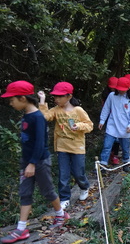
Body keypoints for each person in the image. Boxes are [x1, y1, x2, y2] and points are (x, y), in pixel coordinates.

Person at [0, 81, 69, 244]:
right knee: (25, 192)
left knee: (47, 190)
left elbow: (40, 143)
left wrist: (32, 163)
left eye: (12, 100)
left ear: (23, 98)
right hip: (27, 162)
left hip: (39, 161)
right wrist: (26, 162)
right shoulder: (26, 115)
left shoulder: (38, 117)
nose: (10, 103)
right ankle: (21, 228)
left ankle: (60, 214)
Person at [38, 82, 93, 210]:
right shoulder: (56, 110)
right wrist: (42, 101)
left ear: (69, 96)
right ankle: (64, 198)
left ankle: (84, 187)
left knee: (78, 172)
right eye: (55, 96)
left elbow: (89, 125)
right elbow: (45, 117)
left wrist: (78, 126)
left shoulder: (78, 110)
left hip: (77, 146)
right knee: (63, 174)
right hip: (62, 147)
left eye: (60, 96)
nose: (56, 99)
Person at [99, 77, 130, 172]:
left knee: (125, 147)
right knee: (107, 145)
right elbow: (106, 108)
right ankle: (103, 165)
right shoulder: (111, 96)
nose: (121, 91)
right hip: (112, 125)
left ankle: (125, 163)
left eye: (123, 89)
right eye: (119, 89)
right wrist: (102, 121)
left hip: (125, 127)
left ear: (128, 89)